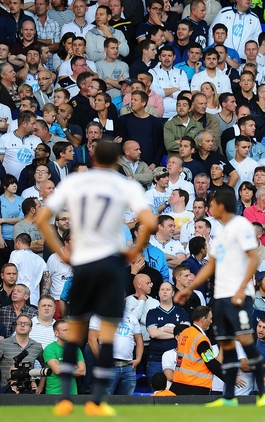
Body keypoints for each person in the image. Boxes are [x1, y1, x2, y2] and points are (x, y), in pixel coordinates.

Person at [36, 141, 157, 416]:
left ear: (91, 156)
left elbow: (43, 218)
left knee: (76, 331)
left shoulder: (76, 182)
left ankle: (65, 399)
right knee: (108, 334)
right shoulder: (126, 185)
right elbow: (149, 222)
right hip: (112, 263)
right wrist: (134, 251)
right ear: (118, 159)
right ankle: (97, 402)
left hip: (85, 262)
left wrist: (63, 254)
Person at [174, 187, 265, 407]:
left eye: (212, 204)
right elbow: (211, 268)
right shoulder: (219, 234)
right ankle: (229, 397)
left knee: (245, 340)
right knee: (226, 346)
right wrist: (189, 289)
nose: (210, 208)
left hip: (239, 296)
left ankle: (262, 394)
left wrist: (240, 289)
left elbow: (254, 258)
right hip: (220, 297)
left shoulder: (241, 225)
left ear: (222, 205)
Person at [170, 306, 224, 395]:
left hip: (178, 382)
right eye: (210, 318)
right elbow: (210, 362)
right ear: (203, 319)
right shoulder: (200, 339)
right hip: (195, 386)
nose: (211, 321)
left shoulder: (184, 333)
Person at [43, 319, 87, 395]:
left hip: (72, 393)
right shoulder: (50, 349)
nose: (69, 332)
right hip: (54, 392)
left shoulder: (76, 349)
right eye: (65, 330)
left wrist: (62, 367)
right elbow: (57, 370)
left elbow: (83, 371)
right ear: (56, 333)